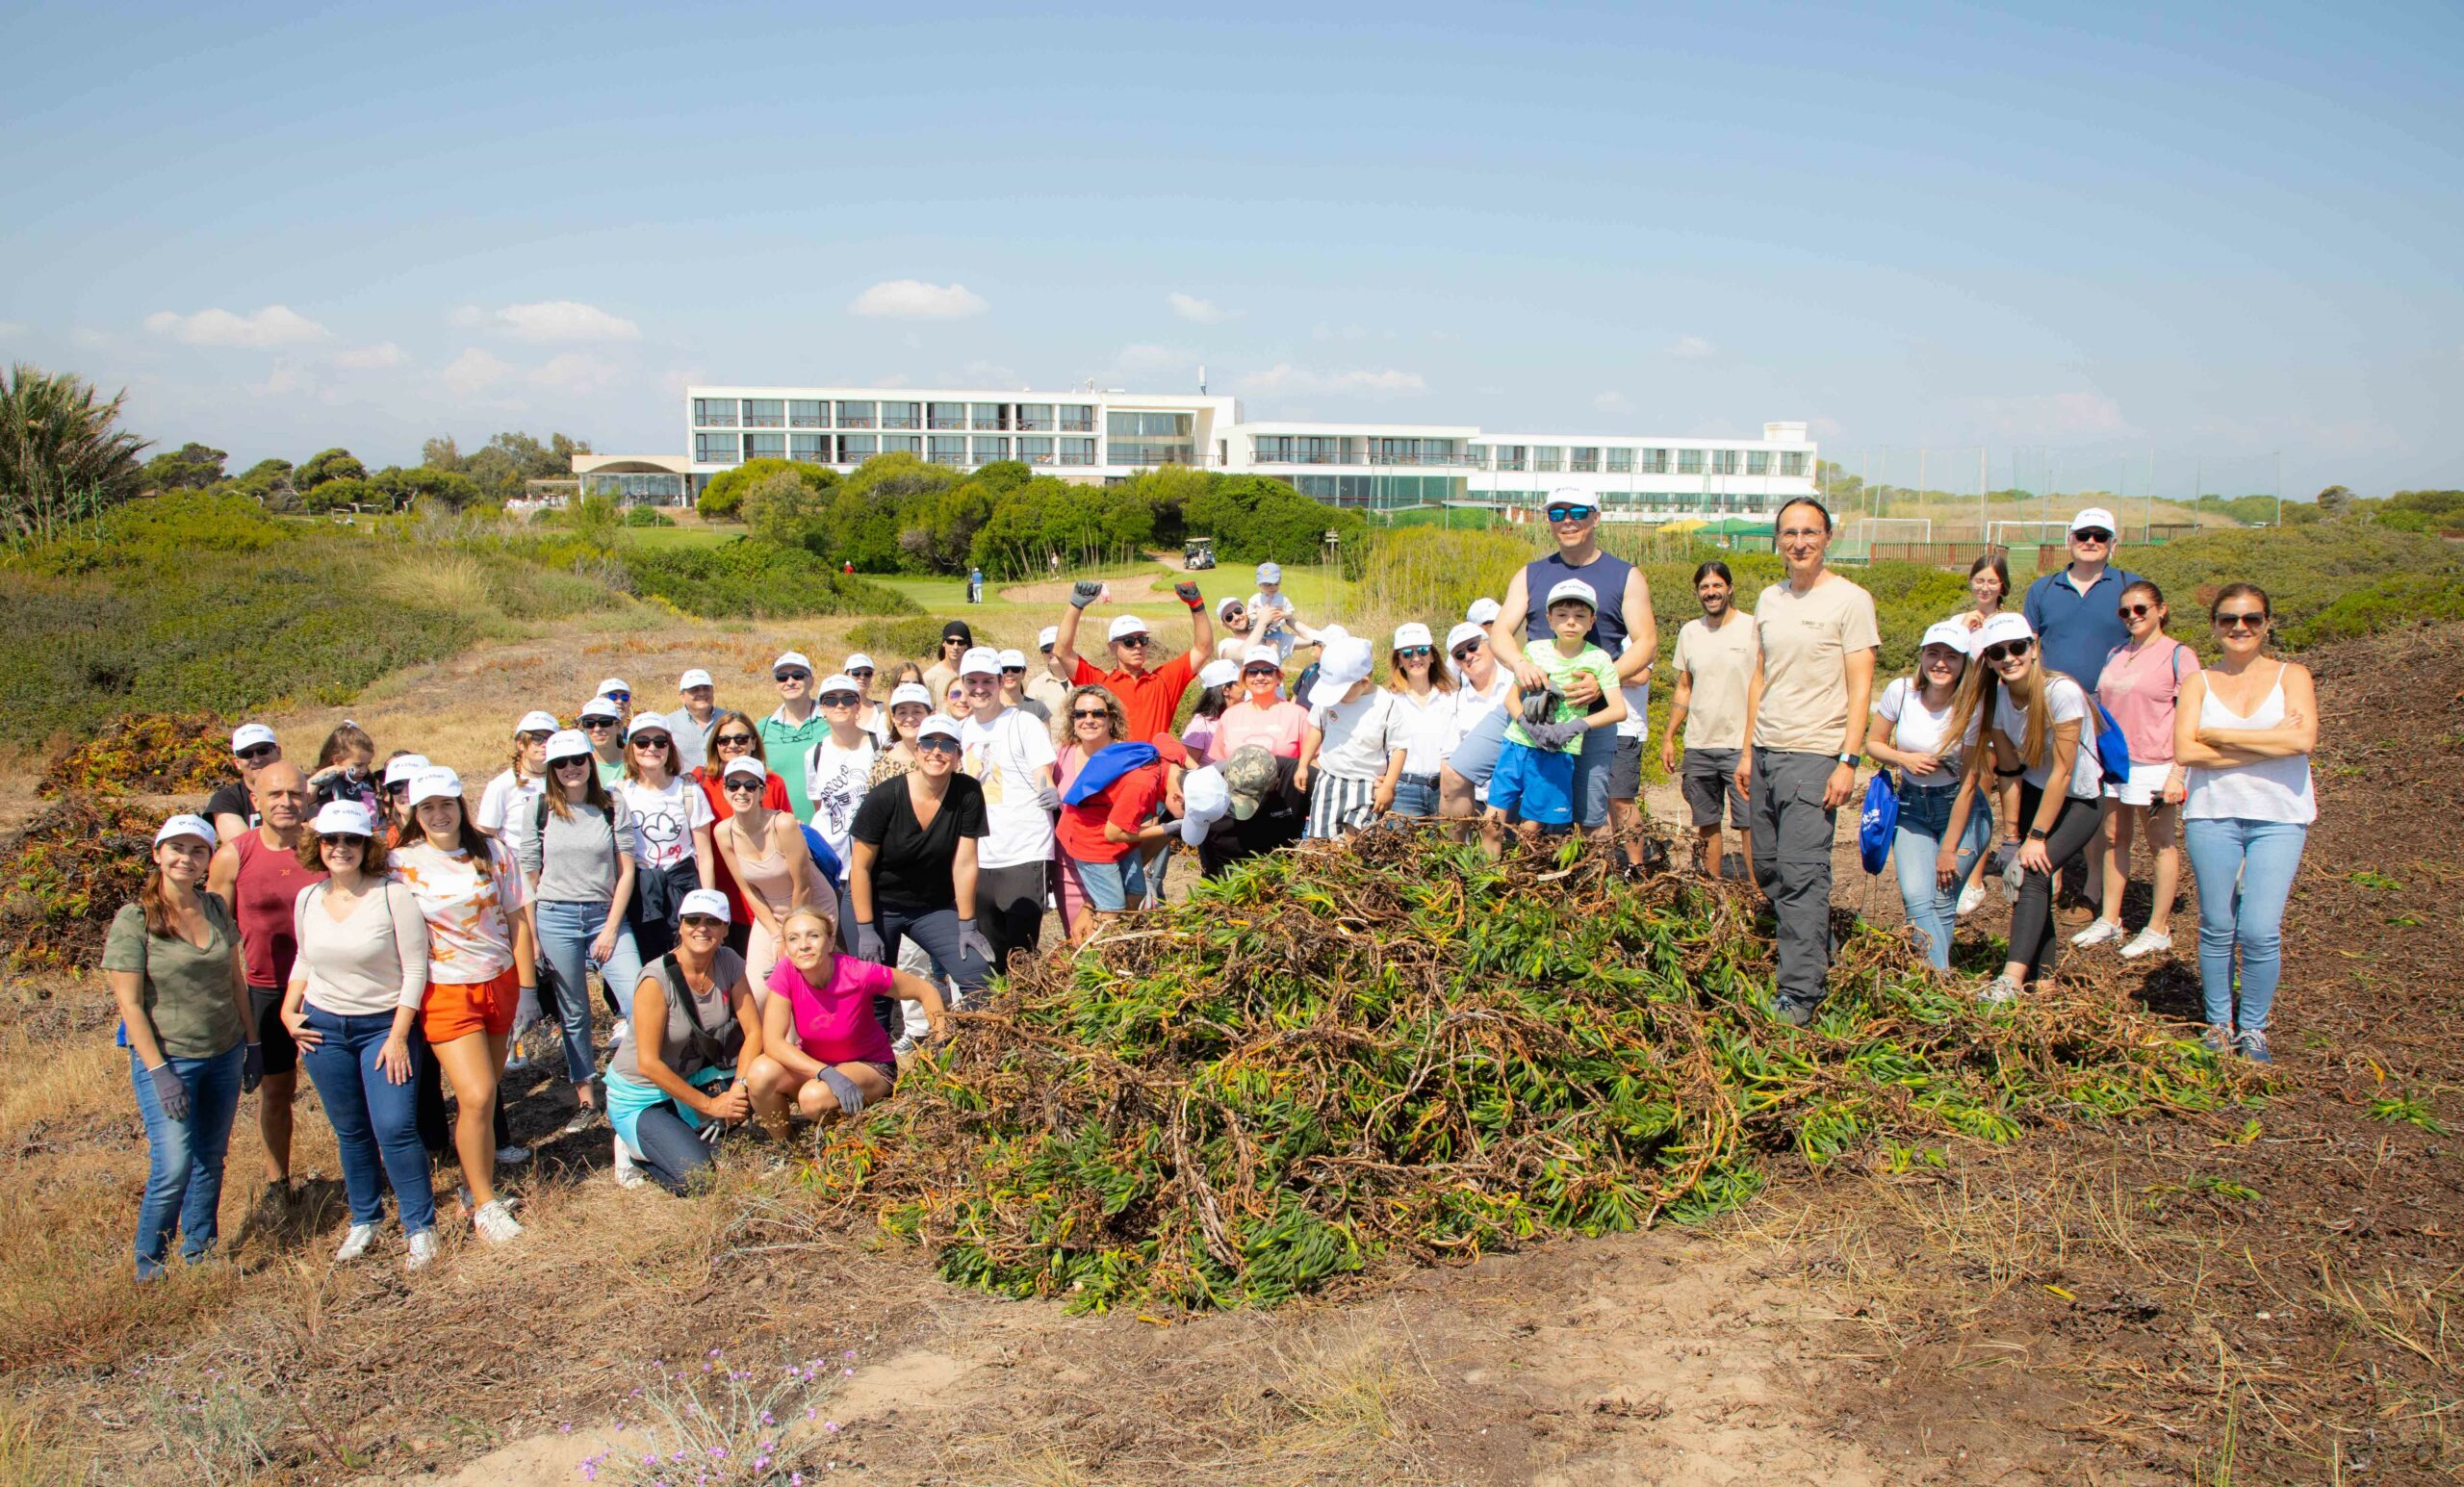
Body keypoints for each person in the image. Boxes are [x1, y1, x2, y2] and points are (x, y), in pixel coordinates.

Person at [1735, 498, 1880, 1025]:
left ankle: (1799, 993)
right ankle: (1817, 945)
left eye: (1810, 532)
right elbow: (1759, 677)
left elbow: (1861, 685)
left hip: (1816, 754)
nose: (1800, 542)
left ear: (1828, 537)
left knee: (1802, 873)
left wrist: (1848, 759)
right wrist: (1749, 750)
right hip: (1768, 751)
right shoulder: (1769, 600)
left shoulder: (1851, 600)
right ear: (1778, 539)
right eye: (1790, 533)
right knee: (1769, 866)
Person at [279, 800, 438, 1269]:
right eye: (331, 840)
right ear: (318, 845)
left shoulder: (393, 896)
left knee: (394, 1127)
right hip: (323, 1029)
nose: (340, 848)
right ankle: (364, 1219)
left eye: (351, 840)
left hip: (383, 1027)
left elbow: (415, 969)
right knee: (351, 1132)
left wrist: (397, 1035)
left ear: (367, 846)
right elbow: (305, 958)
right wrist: (290, 1011)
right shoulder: (308, 898)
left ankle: (419, 1226)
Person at [106, 813, 253, 1280]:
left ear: (209, 859)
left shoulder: (213, 908)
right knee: (172, 1167)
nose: (186, 859)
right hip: (172, 1059)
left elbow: (235, 981)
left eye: (197, 850)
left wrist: (252, 1042)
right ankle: (149, 1264)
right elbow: (129, 1005)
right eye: (177, 848)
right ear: (158, 854)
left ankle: (199, 1251)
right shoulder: (135, 919)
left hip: (224, 1051)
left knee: (210, 1157)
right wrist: (159, 1072)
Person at [2172, 583, 2315, 1063]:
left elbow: (2302, 742)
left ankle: (2252, 1027)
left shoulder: (2293, 676)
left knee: (2258, 928)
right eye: (2229, 619)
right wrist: (2267, 738)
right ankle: (2218, 1024)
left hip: (2279, 816)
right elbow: (2187, 751)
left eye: (2252, 618)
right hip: (2213, 814)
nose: (2240, 628)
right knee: (2216, 923)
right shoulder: (2199, 682)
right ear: (2214, 626)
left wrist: (2218, 737)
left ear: (2267, 624)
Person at [389, 768, 530, 1244]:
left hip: (499, 980)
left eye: (446, 804)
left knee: (487, 1096)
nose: (438, 814)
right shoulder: (399, 863)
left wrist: (526, 987)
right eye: (426, 807)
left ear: (460, 804)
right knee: (472, 1095)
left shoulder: (492, 851)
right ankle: (486, 1205)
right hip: (446, 989)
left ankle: (477, 1187)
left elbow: (517, 919)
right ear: (413, 812)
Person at [1940, 614, 2107, 1005]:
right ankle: (2044, 981)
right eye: (1998, 653)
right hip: (2033, 791)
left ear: (2033, 646)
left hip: (2079, 799)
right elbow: (2011, 771)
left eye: (2017, 647)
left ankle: (2010, 980)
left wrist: (2036, 838)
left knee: (2033, 873)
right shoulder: (1997, 697)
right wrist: (2013, 836)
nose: (2009, 658)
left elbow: (2063, 773)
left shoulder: (2061, 692)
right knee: (2034, 878)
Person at [1476, 491, 1657, 847]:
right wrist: (1520, 664)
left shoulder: (1626, 575)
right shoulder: (1530, 573)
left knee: (1587, 817)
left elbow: (1647, 642)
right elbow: (1499, 632)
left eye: (1577, 511)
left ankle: (1587, 890)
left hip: (1586, 706)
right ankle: (1479, 871)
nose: (1568, 520)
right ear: (1548, 520)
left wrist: (1604, 682)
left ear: (1596, 517)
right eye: (1557, 513)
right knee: (1458, 774)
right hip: (1527, 703)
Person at [513, 729, 640, 1133]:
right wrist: (533, 936)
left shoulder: (611, 804)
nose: (571, 769)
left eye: (578, 760)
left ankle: (636, 1078)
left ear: (590, 761)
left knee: (639, 995)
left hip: (605, 915)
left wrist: (611, 927)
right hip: (556, 916)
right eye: (561, 763)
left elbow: (626, 870)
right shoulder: (539, 809)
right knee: (574, 1012)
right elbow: (529, 877)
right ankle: (586, 1096)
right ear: (551, 769)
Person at [204, 760, 318, 1202]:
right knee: (276, 1089)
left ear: (307, 797)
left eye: (294, 793)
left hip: (327, 986)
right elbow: (217, 934)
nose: (286, 802)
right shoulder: (234, 855)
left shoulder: (326, 846)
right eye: (275, 795)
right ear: (255, 801)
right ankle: (278, 1185)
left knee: (352, 1088)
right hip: (267, 989)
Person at [603, 889, 765, 1194]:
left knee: (764, 1078)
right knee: (700, 1181)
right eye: (693, 919)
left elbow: (754, 1031)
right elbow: (648, 1064)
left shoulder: (728, 961)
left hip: (693, 1079)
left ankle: (688, 1132)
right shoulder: (655, 979)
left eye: (713, 921)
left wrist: (740, 1087)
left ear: (726, 929)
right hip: (643, 1095)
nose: (702, 927)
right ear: (680, 925)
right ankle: (633, 1150)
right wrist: (712, 1104)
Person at [2023, 507, 2143, 918]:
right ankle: (2047, 881)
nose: (2091, 542)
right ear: (2070, 539)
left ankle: (2092, 890)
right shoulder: (2043, 589)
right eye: (2083, 534)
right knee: (2047, 788)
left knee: (2101, 801)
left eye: (2100, 535)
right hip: (2053, 707)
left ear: (2113, 542)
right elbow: (2030, 646)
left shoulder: (2129, 587)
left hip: (2109, 712)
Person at [749, 907, 951, 1137]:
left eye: (813, 936)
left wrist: (942, 1041)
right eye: (793, 938)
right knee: (760, 1072)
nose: (803, 945)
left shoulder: (857, 972)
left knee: (812, 1098)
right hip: (819, 1069)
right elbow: (773, 1043)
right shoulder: (786, 970)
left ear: (830, 939)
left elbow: (925, 990)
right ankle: (785, 1150)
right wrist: (825, 1072)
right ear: (785, 946)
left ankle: (850, 1133)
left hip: (868, 1066)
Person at [2078, 578, 2196, 959]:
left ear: (2161, 610)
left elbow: (2191, 717)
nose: (2132, 616)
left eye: (2141, 609)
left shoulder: (2179, 655)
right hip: (2115, 762)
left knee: (2160, 842)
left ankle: (2158, 926)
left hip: (2156, 763)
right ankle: (2110, 919)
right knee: (2114, 838)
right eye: (2125, 611)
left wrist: (2178, 771)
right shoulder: (2116, 652)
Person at [847, 714, 994, 1013]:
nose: (936, 751)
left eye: (947, 745)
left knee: (978, 976)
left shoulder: (968, 792)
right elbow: (859, 867)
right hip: (877, 903)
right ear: (916, 751)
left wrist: (967, 925)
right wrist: (865, 929)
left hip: (931, 906)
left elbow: (964, 863)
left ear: (957, 754)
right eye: (928, 743)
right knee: (874, 990)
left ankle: (969, 1051)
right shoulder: (886, 796)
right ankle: (878, 1060)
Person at [1865, 622, 1989, 970]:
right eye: (1933, 653)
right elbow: (1873, 743)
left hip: (1960, 807)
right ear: (1921, 655)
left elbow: (1970, 782)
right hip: (1911, 807)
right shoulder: (1900, 691)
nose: (1940, 663)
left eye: (1951, 656)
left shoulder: (1972, 706)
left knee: (1942, 901)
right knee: (1918, 900)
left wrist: (1949, 848)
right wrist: (1903, 758)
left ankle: (1934, 982)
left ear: (1964, 662)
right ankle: (1939, 983)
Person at [1481, 579, 1627, 858]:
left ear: (1592, 621)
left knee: (1532, 829)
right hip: (1517, 745)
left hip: (1557, 752)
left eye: (1580, 616)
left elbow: (1618, 710)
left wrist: (1574, 727)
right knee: (1492, 823)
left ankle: (1520, 879)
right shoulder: (1535, 650)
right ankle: (1489, 880)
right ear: (1549, 619)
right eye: (1562, 615)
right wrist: (1527, 725)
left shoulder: (1599, 659)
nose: (1570, 622)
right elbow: (1511, 698)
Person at [957, 647, 1058, 970]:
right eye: (972, 681)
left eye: (987, 680)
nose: (979, 688)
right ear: (962, 683)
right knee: (989, 951)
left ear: (1001, 682)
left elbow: (1043, 775)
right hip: (979, 855)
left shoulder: (1024, 723)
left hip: (1024, 850)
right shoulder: (960, 730)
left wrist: (1049, 792)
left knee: (1022, 952)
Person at [1661, 561, 1759, 882]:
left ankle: (1759, 895)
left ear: (1730, 588)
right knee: (1706, 822)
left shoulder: (1753, 628)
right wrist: (1669, 735)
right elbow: (1685, 686)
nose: (1711, 592)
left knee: (1749, 824)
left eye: (1717, 585)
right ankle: (1711, 892)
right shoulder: (1690, 632)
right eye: (1704, 587)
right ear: (1697, 593)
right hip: (1700, 744)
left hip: (1741, 746)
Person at [1055, 688, 1173, 940]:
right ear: (1072, 719)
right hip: (1075, 852)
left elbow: (1143, 820)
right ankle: (1089, 970)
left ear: (1111, 719)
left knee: (1126, 905)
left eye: (1098, 713)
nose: (1089, 719)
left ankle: (1116, 958)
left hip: (1116, 848)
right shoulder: (1063, 753)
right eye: (1080, 714)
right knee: (1081, 929)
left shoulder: (1127, 757)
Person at [1053, 577, 1214, 745]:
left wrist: (1197, 606)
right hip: (1116, 767)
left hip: (1153, 767)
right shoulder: (1099, 685)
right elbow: (1062, 652)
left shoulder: (1163, 681)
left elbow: (1203, 649)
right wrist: (1076, 605)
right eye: (1129, 641)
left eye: (1143, 640)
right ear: (1113, 647)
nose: (1138, 646)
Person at [688, 709, 794, 953]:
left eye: (741, 739)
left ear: (754, 742)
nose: (733, 745)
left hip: (767, 893)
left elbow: (786, 831)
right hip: (725, 889)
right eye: (724, 740)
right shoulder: (701, 783)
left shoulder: (773, 782)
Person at [710, 757, 820, 988]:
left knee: (803, 982)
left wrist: (791, 935)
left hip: (810, 906)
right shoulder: (723, 832)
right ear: (725, 790)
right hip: (769, 913)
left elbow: (804, 886)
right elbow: (748, 890)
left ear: (762, 792)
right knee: (759, 989)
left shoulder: (783, 824)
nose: (741, 792)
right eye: (733, 785)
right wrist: (777, 935)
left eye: (750, 785)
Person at [617, 714, 716, 966]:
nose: (652, 748)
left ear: (669, 747)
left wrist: (708, 902)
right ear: (631, 749)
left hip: (682, 884)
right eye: (642, 742)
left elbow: (704, 854)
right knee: (646, 960)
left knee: (689, 959)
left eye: (660, 742)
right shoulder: (618, 793)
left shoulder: (688, 791)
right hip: (639, 888)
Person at [806, 674, 884, 882]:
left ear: (859, 705)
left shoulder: (880, 744)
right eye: (830, 700)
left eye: (848, 699)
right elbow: (820, 806)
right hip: (832, 864)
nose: (840, 705)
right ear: (821, 708)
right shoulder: (815, 754)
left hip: (875, 860)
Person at [1437, 622, 1515, 828]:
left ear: (1488, 644)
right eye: (1460, 655)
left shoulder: (1516, 683)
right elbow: (1448, 759)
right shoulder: (1454, 700)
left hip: (1520, 799)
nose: (1469, 656)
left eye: (1473, 647)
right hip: (1475, 803)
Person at [1381, 625, 1456, 820]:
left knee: (1448, 848)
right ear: (1399, 661)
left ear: (1432, 656)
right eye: (1407, 653)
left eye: (1422, 651)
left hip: (1445, 788)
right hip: (1405, 792)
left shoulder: (1451, 696)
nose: (1416, 658)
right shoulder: (1389, 700)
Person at [758, 651, 827, 823]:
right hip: (781, 831)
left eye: (798, 675)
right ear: (776, 684)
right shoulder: (763, 728)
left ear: (811, 681)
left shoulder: (831, 719)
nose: (790, 682)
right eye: (782, 677)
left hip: (830, 830)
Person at [1211, 646, 1307, 762]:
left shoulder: (1299, 715)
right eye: (1252, 671)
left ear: (1279, 677)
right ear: (1244, 677)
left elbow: (1312, 761)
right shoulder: (1229, 716)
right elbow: (1218, 762)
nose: (1260, 677)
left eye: (1267, 671)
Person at [475, 711, 559, 840]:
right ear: (520, 744)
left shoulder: (563, 779)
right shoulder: (501, 785)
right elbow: (485, 834)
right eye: (537, 738)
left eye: (550, 739)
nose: (545, 744)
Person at [208, 723, 284, 842]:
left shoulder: (307, 787)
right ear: (237, 762)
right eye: (246, 754)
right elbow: (243, 848)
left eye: (263, 750)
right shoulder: (226, 801)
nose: (257, 759)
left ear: (278, 752)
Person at [307, 720, 383, 814]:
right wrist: (324, 772)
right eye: (358, 765)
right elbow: (306, 797)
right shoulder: (327, 781)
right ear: (337, 761)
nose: (364, 770)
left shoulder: (366, 780)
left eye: (367, 764)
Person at [869, 680, 935, 786]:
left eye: (917, 711)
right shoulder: (882, 764)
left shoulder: (945, 757)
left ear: (930, 715)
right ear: (893, 718)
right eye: (902, 712)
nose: (909, 718)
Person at [1180, 658, 1242, 759]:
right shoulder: (1201, 725)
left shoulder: (1238, 718)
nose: (1245, 688)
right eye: (1239, 684)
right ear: (1226, 690)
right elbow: (1188, 767)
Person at [668, 669, 720, 776]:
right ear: (682, 696)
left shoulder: (728, 719)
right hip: (684, 788)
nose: (701, 693)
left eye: (706, 688)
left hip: (724, 788)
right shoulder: (668, 724)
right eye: (694, 689)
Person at [578, 695, 627, 789]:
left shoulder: (636, 762)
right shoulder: (579, 767)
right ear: (583, 728)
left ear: (619, 726)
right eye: (589, 723)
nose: (597, 729)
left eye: (605, 722)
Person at [1026, 627, 1072, 721]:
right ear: (1042, 653)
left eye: (1056, 647)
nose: (1052, 652)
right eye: (1047, 649)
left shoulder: (1085, 678)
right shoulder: (1035, 686)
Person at [922, 621, 974, 705]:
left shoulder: (974, 674)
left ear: (966, 645)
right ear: (943, 643)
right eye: (950, 641)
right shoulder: (930, 677)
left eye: (960, 642)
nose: (955, 647)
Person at [842, 654, 886, 743]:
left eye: (867, 673)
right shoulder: (835, 708)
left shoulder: (883, 709)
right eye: (856, 673)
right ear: (846, 674)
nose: (862, 677)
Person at [998, 649, 1048, 725]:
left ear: (1024, 672)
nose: (1009, 673)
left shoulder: (1037, 708)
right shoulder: (988, 707)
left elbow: (1046, 736)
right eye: (1004, 670)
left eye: (1015, 669)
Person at [1213, 596, 1255, 664]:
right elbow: (1243, 654)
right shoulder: (1226, 644)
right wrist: (1262, 622)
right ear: (1225, 625)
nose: (1236, 618)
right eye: (1229, 617)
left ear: (1246, 610)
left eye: (1238, 611)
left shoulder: (1266, 634)